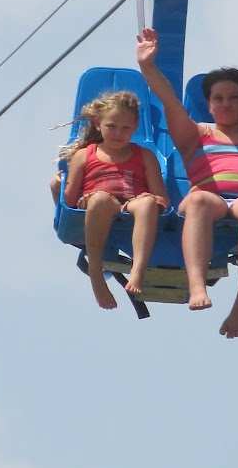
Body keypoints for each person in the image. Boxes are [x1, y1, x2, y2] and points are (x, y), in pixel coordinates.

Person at [136, 13, 238, 338]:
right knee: (199, 200)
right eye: (218, 99)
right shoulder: (196, 135)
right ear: (209, 105)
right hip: (208, 199)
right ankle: (197, 285)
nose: (226, 104)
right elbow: (168, 98)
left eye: (233, 98)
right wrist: (147, 65)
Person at [56, 91, 169, 310]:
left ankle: (138, 271)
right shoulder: (84, 155)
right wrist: (57, 186)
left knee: (147, 204)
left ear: (135, 127)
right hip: (98, 202)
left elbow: (162, 198)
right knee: (100, 200)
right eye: (111, 126)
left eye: (125, 128)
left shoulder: (145, 156)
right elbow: (68, 201)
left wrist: (151, 198)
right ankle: (96, 274)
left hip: (132, 202)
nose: (118, 133)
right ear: (98, 124)